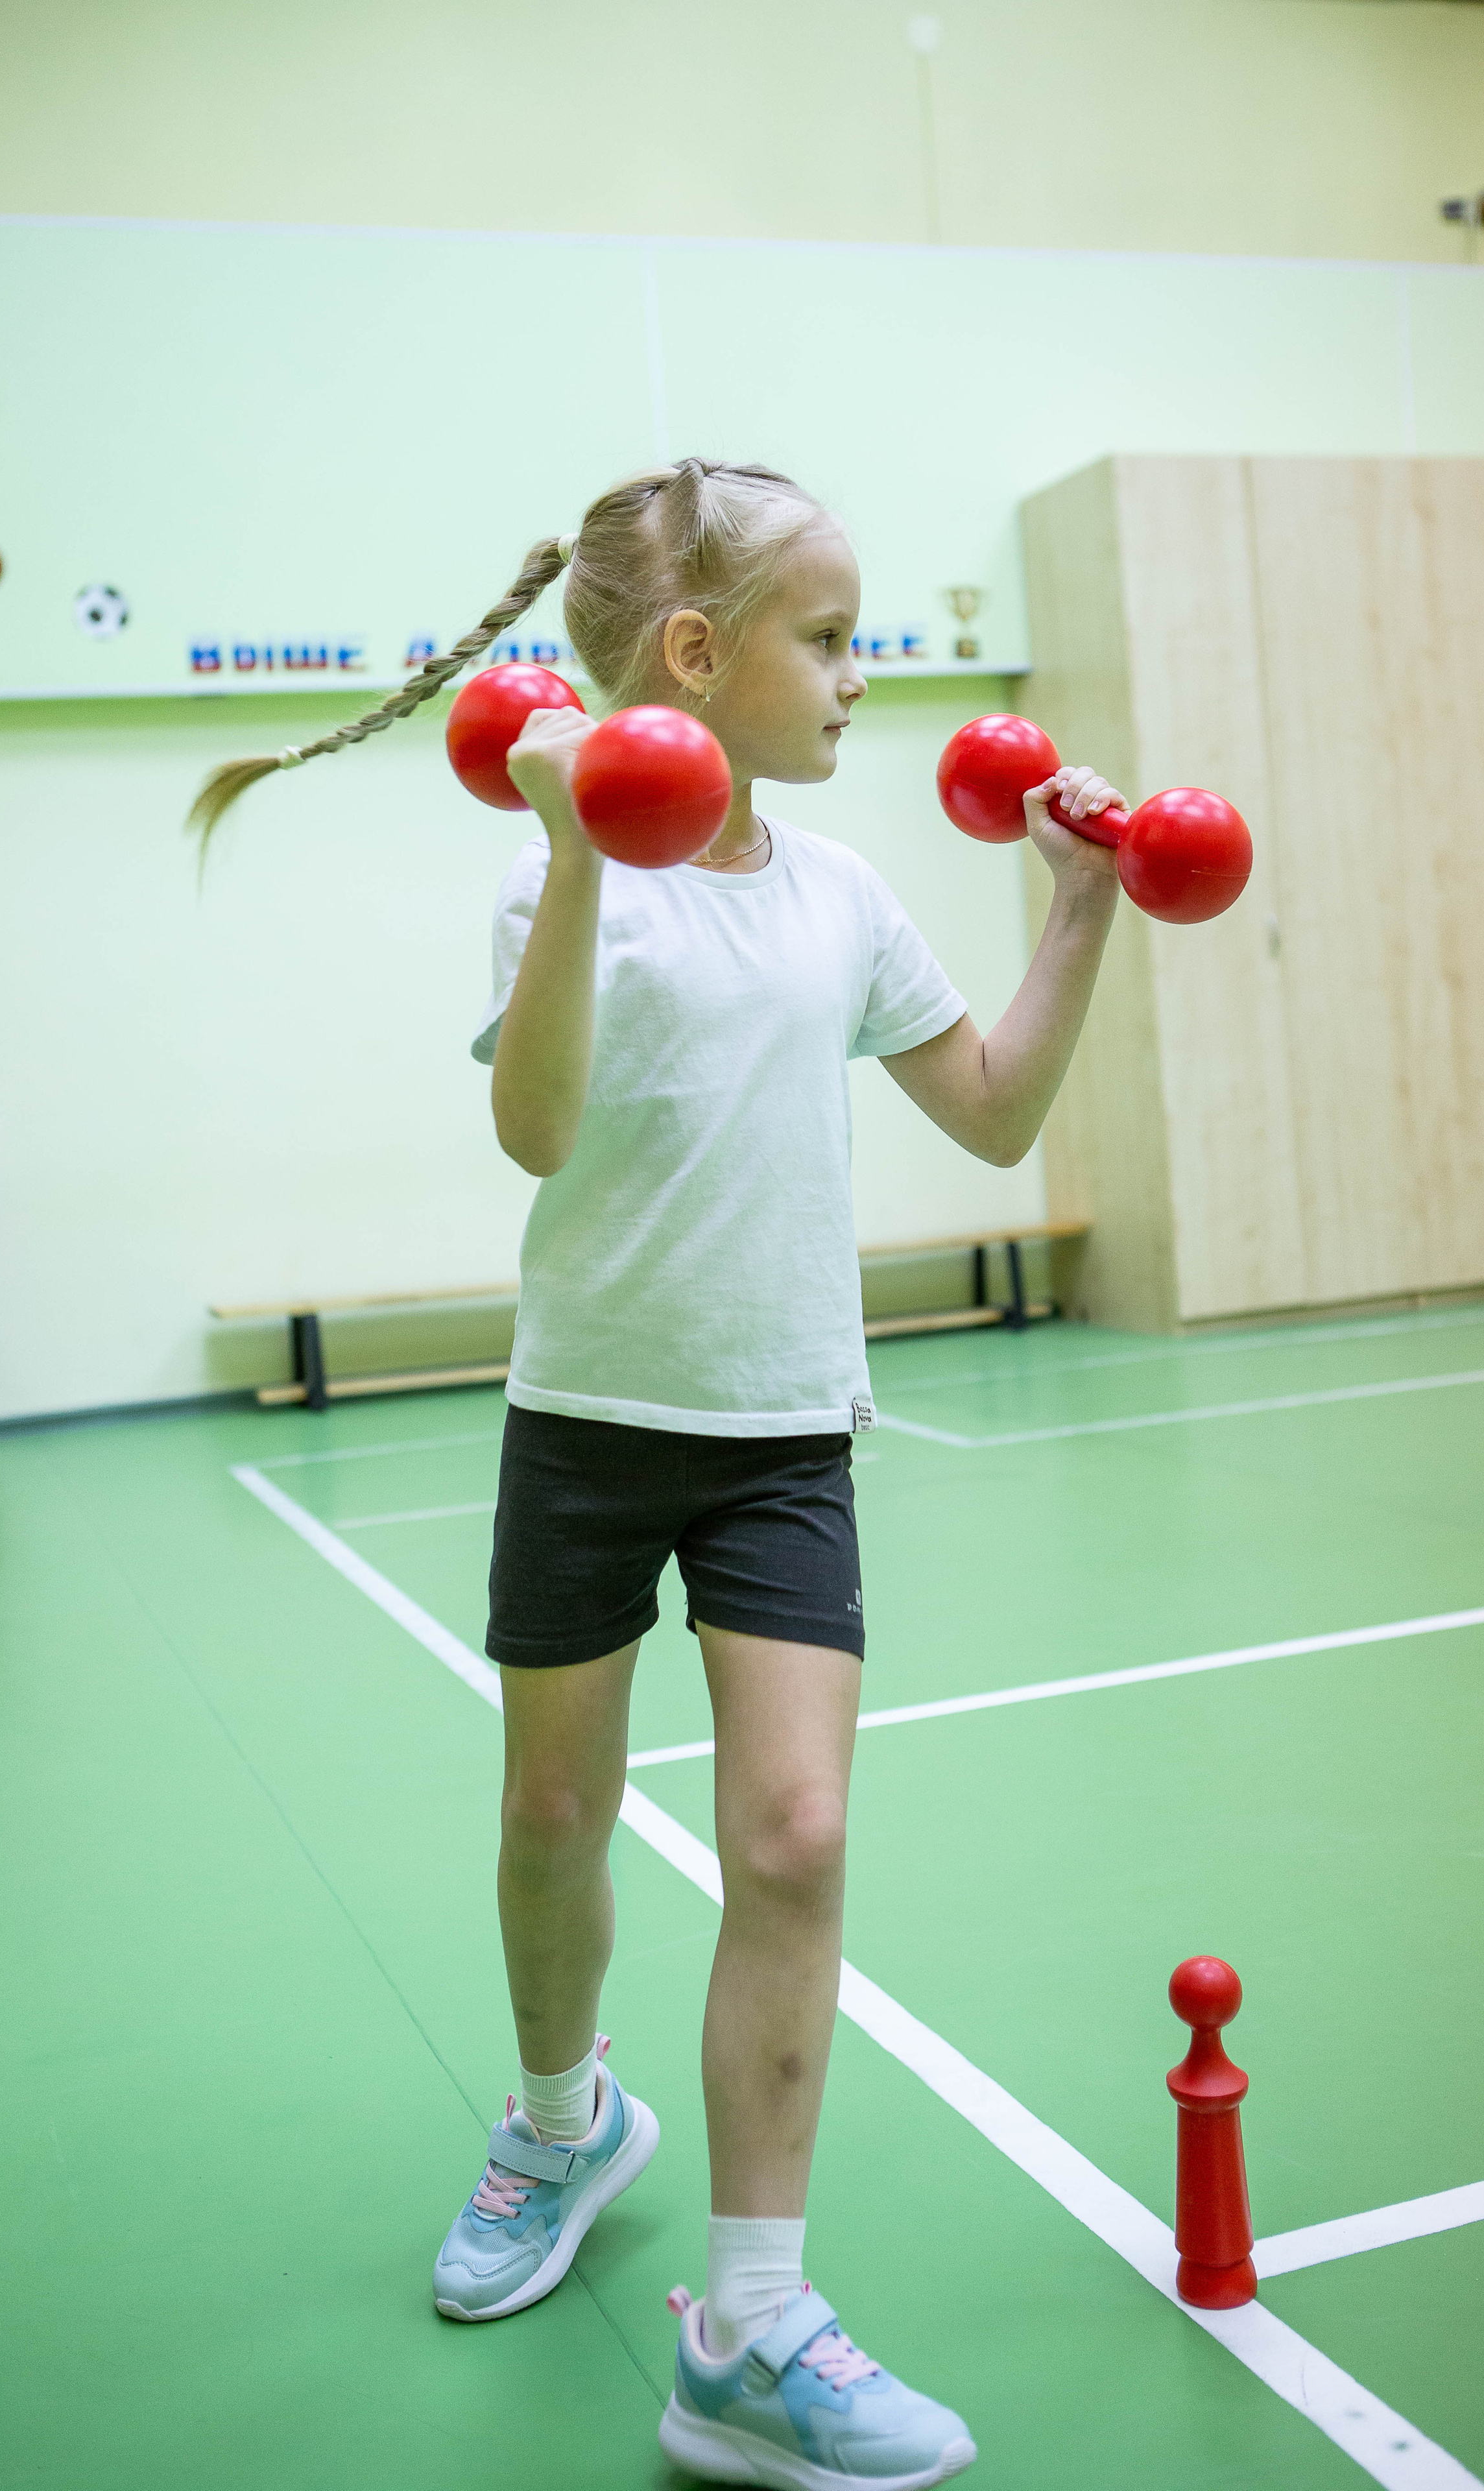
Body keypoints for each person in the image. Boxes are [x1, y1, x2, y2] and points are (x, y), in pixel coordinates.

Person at [193, 457, 1123, 2490]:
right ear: (697, 658)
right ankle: (559, 2122)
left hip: (786, 1426)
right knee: (553, 1816)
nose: (864, 674)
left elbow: (985, 1110)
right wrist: (583, 857)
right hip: (592, 1423)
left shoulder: (845, 894)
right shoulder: (557, 878)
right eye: (833, 635)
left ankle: (756, 2324)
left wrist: (1077, 909)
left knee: (792, 1837)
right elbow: (537, 1129)